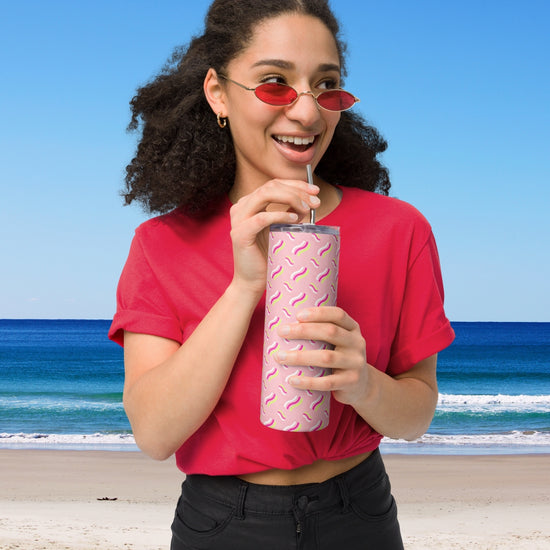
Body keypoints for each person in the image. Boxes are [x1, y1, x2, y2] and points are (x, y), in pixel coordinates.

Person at [109, 1, 455, 548]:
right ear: (218, 93)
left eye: (327, 86)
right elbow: (154, 433)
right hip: (223, 520)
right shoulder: (161, 244)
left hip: (359, 510)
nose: (308, 113)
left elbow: (416, 414)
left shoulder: (400, 230)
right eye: (275, 84)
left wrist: (364, 383)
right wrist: (246, 285)